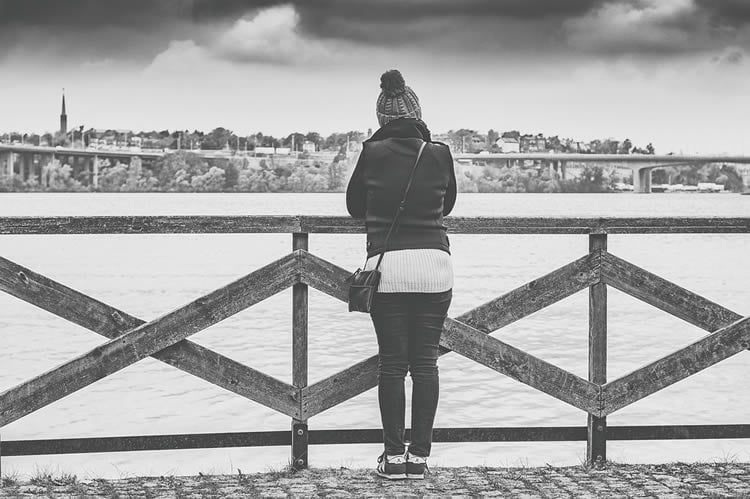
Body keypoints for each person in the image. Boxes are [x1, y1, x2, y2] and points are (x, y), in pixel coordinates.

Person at [346, 69, 457, 480]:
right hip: (434, 267)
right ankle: (420, 459)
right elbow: (447, 205)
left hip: (388, 268)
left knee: (393, 365)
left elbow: (355, 207)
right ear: (417, 113)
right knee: (425, 365)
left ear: (381, 118)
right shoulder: (440, 152)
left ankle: (393, 459)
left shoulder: (371, 153)